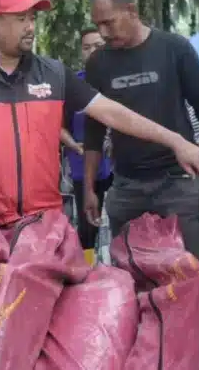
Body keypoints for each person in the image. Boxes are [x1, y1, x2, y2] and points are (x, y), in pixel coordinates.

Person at [0, 0, 199, 228]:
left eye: (32, 18)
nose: (31, 27)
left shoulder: (55, 74)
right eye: (21, 19)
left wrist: (176, 141)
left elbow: (112, 113)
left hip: (44, 226)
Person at [83, 0, 199, 270]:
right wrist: (89, 188)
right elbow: (94, 131)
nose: (103, 33)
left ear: (131, 11)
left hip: (178, 183)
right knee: (132, 274)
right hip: (127, 188)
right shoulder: (98, 63)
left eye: (109, 22)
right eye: (98, 25)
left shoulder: (174, 48)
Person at [63, 26, 112, 265]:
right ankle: (88, 271)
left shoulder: (118, 81)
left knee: (121, 225)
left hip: (119, 169)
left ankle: (121, 271)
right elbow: (58, 127)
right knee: (87, 227)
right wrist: (74, 145)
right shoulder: (73, 86)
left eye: (98, 46)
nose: (93, 51)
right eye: (87, 47)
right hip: (83, 169)